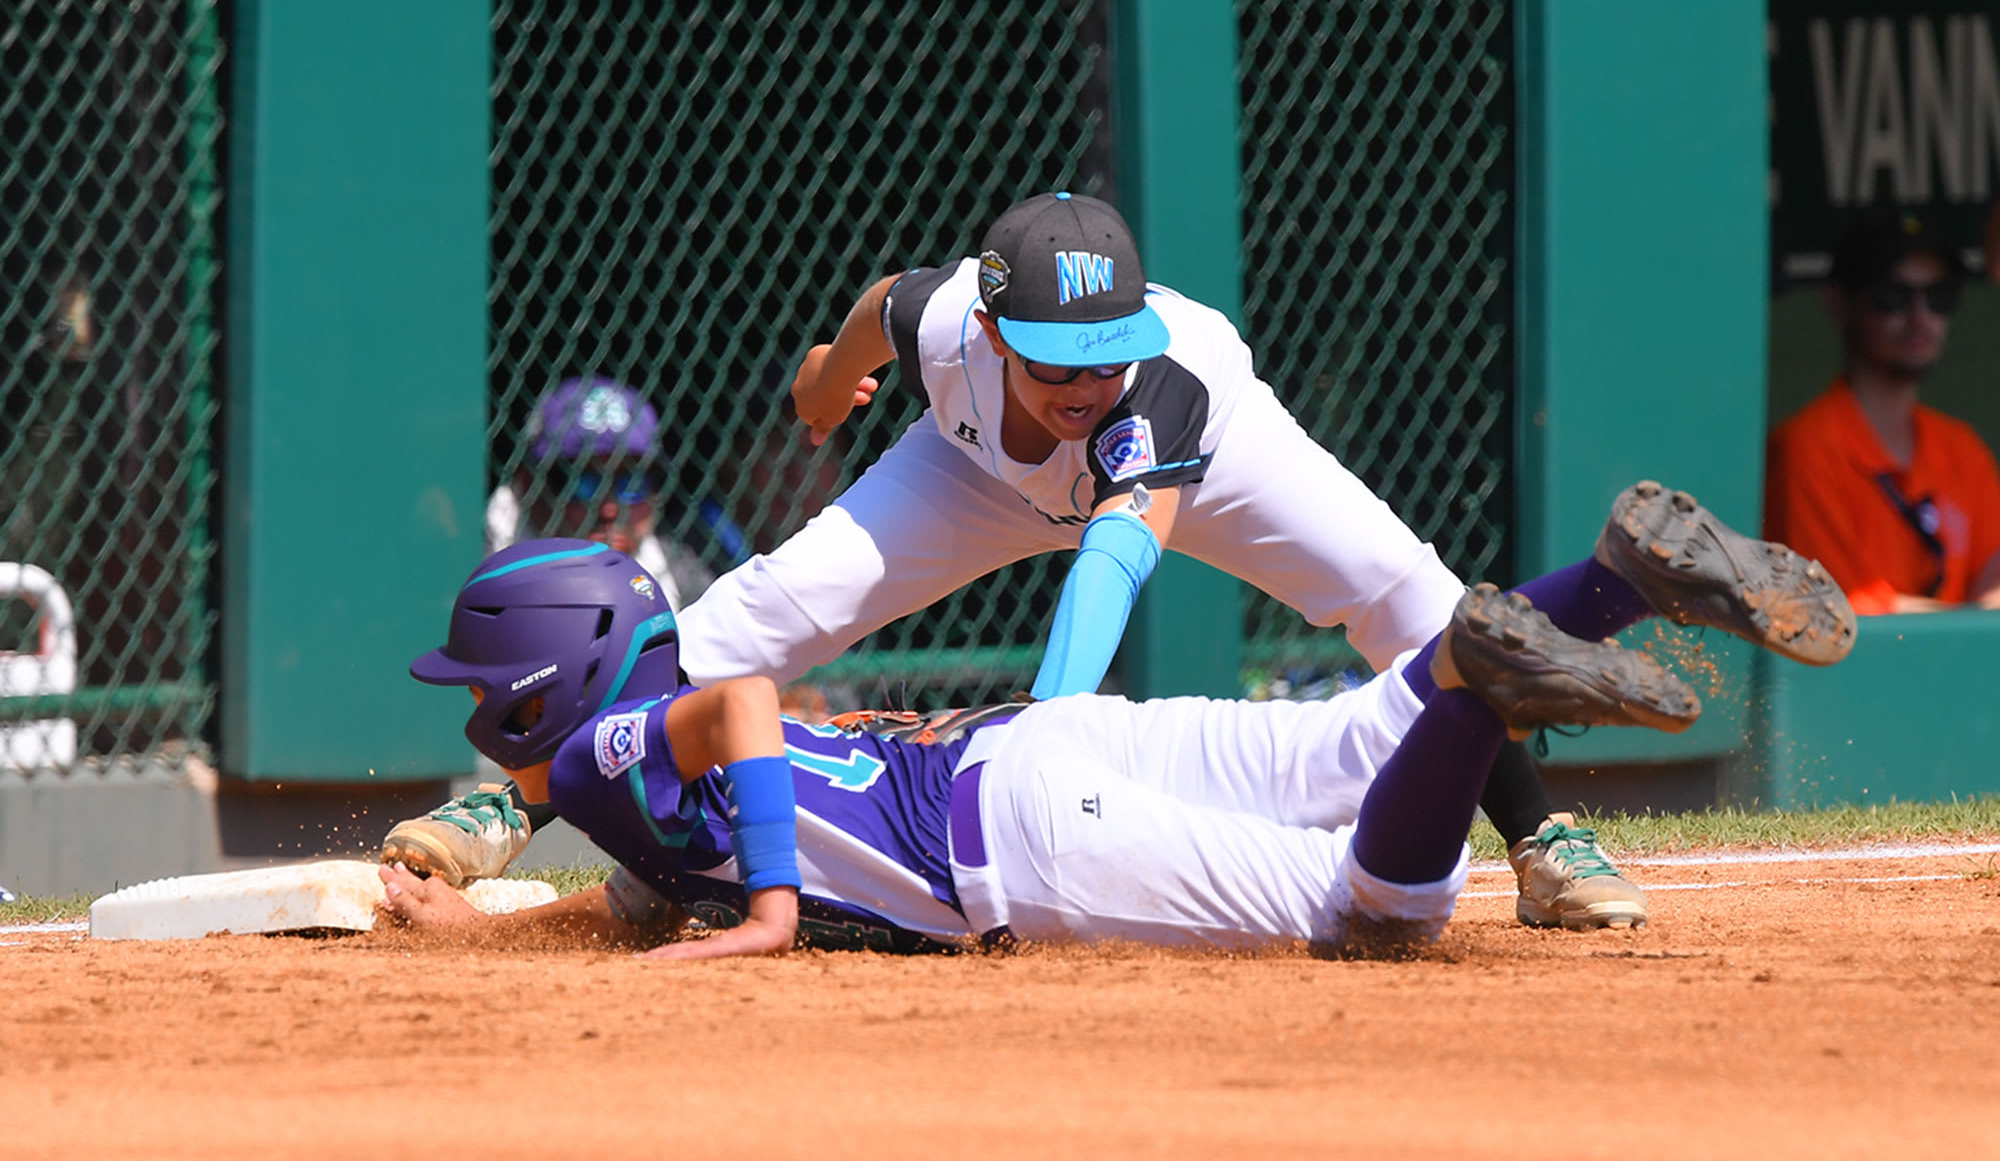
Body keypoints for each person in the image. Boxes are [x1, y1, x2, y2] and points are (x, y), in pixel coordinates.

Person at [376, 482, 1852, 955]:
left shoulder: (593, 753)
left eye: (484, 706)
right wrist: (474, 887)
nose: (483, 739)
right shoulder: (597, 764)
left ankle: (1471, 682)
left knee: (1382, 917)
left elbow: (737, 706)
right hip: (1033, 747)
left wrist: (768, 911)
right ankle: (1607, 579)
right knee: (1347, 744)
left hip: (1009, 836)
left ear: (543, 693)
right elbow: (619, 794)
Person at [1766, 208, 2000, 615]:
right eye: (1893, 296)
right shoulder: (1806, 446)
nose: (1920, 316)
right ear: (1839, 302)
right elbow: (1836, 616)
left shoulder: (1962, 447)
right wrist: (1973, 625)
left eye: (1939, 296)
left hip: (1962, 675)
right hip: (1853, 677)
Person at [487, 376, 719, 611]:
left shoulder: (682, 578)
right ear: (528, 483)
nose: (610, 509)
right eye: (581, 483)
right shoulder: (475, 565)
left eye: (632, 484)